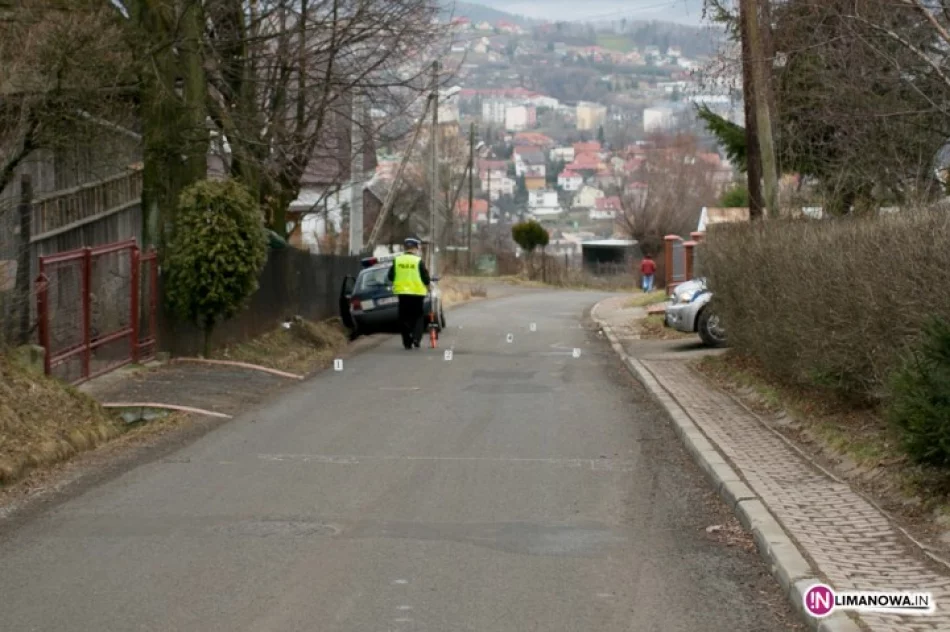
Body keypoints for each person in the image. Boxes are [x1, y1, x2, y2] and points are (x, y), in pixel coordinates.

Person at [387, 237, 431, 350]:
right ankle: (416, 338)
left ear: (405, 248)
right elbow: (425, 278)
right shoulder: (418, 261)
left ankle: (407, 341)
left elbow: (390, 276)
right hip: (417, 294)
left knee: (404, 317)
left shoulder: (397, 260)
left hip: (403, 294)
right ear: (416, 248)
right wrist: (428, 286)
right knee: (418, 316)